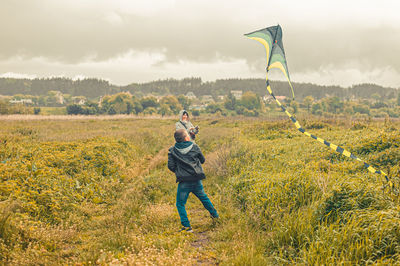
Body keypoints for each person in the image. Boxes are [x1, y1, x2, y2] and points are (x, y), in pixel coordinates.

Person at [167, 129, 219, 232]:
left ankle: (187, 227)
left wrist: (179, 171)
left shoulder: (172, 150)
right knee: (204, 198)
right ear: (186, 137)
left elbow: (171, 166)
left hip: (183, 182)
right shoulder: (195, 147)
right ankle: (216, 217)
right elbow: (203, 160)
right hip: (196, 179)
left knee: (180, 204)